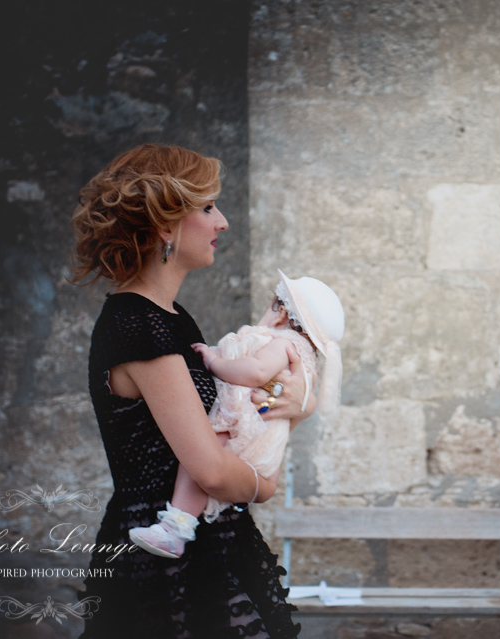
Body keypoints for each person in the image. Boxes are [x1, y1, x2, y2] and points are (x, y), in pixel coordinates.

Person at [70, 144, 305, 638]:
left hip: (205, 543)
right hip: (165, 561)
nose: (223, 222)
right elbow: (212, 472)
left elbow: (236, 421)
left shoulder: (172, 319)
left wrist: (293, 406)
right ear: (165, 225)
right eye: (208, 207)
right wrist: (264, 486)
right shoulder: (137, 324)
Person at [129, 271, 344, 558]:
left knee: (200, 459)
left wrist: (215, 362)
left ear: (281, 313)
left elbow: (256, 372)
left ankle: (176, 529)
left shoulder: (284, 343)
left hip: (243, 426)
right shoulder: (305, 362)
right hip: (263, 441)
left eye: (270, 307)